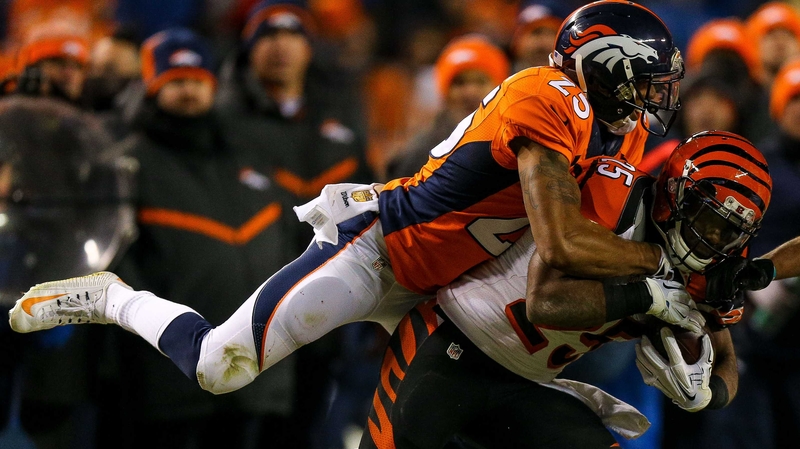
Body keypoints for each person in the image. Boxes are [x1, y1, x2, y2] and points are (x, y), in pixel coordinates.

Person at [8, 0, 685, 401]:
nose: (657, 94)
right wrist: (661, 274)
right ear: (604, 65)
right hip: (382, 251)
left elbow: (585, 256)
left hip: (453, 290)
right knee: (219, 366)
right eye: (647, 76)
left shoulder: (621, 134)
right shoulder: (546, 94)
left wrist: (665, 318)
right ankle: (113, 299)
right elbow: (565, 242)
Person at [360, 130, 772, 448]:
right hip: (451, 345)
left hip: (527, 384)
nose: (710, 239)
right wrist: (645, 297)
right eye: (706, 219)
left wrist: (709, 395)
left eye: (727, 231)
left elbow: (725, 356)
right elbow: (544, 303)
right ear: (676, 194)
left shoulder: (705, 268)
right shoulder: (616, 199)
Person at [92, 28, 303, 449]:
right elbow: (115, 268)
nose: (189, 91)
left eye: (197, 80)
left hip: (255, 374)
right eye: (176, 81)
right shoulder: (125, 165)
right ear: (152, 88)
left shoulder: (249, 159)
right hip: (167, 376)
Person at [385, 34, 510, 180]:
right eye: (459, 83)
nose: (470, 92)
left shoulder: (514, 138)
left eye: (480, 82)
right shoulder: (420, 152)